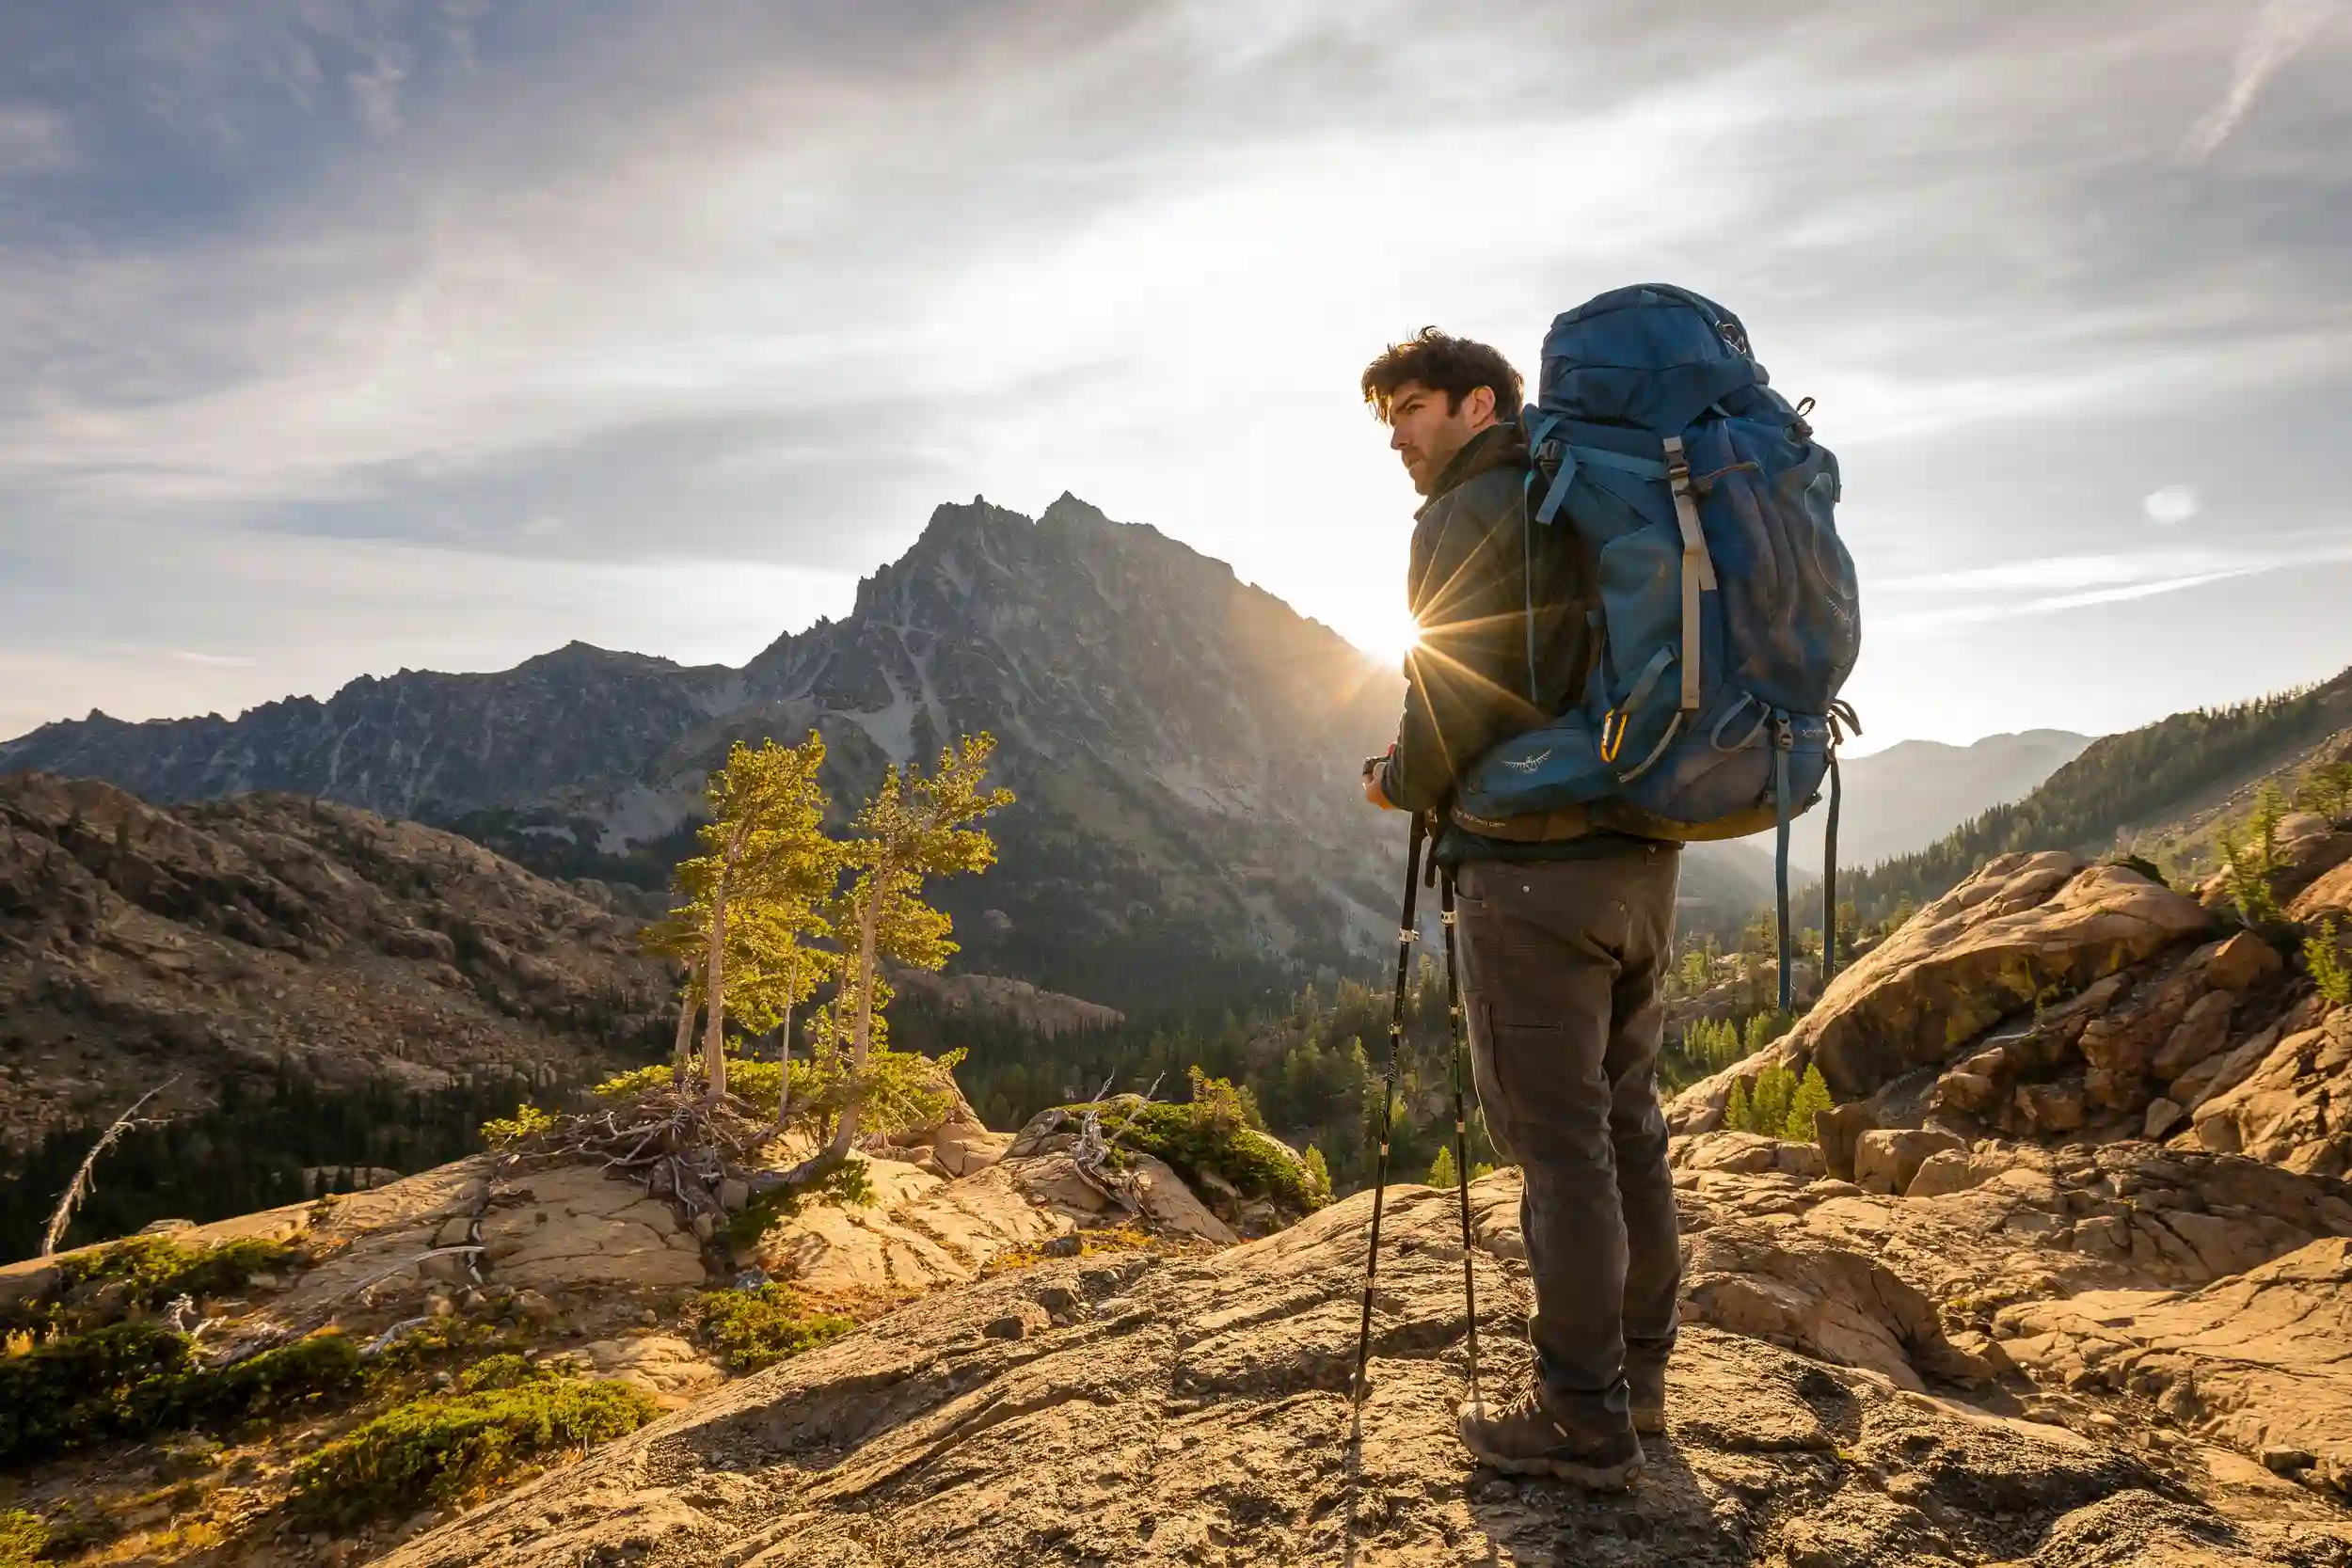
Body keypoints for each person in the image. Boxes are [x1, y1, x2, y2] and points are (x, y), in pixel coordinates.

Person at [1358, 327, 1680, 1489]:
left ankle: (1584, 1417)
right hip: (1643, 848)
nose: (1394, 435)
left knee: (1560, 1151)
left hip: (1534, 867)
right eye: (1387, 415)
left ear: (1476, 402)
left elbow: (1456, 686)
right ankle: (1638, 1377)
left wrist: (1397, 778)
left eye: (1409, 408)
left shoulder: (1468, 506)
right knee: (1626, 1119)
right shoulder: (1584, 491)